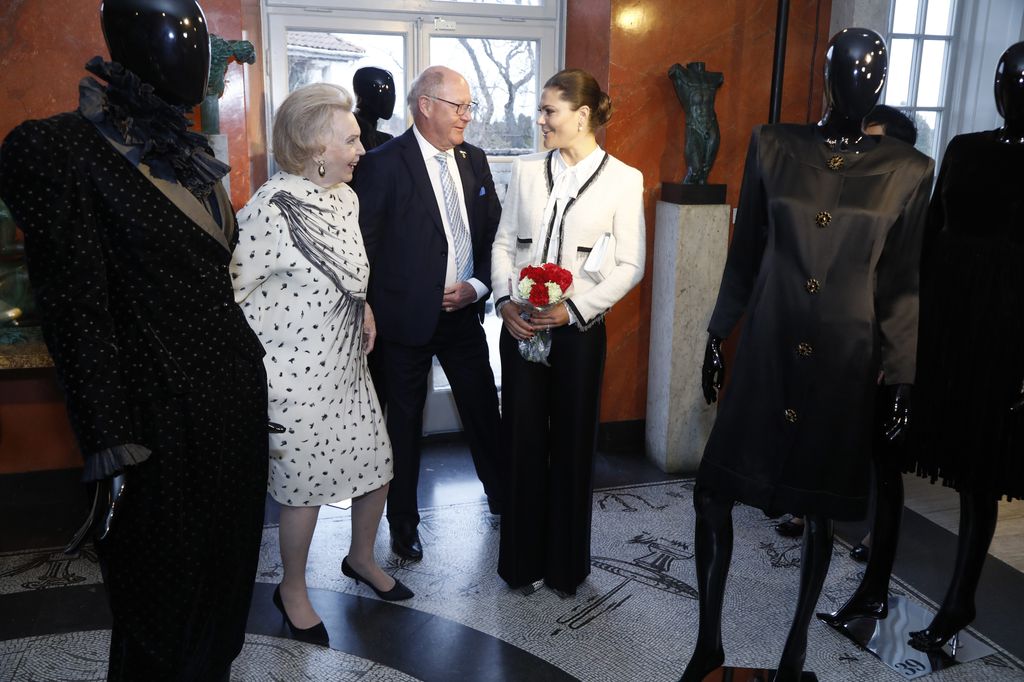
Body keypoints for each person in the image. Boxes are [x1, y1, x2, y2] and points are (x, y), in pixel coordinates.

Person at [0, 1, 269, 678]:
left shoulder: (189, 152)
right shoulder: (62, 150)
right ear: (128, 44)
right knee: (158, 614)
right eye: (176, 36)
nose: (193, 52)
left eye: (198, 38)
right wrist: (110, 441)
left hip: (232, 405)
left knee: (225, 594)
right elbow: (75, 313)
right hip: (156, 422)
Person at [683, 29, 934, 682]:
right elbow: (745, 255)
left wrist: (902, 379)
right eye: (846, 68)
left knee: (821, 510)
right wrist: (717, 335)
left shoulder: (909, 170)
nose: (859, 80)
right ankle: (707, 645)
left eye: (871, 71)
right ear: (827, 74)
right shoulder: (774, 144)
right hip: (768, 347)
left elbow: (903, 283)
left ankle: (793, 655)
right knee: (713, 492)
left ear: (881, 83)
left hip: (843, 363)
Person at [828, 41, 1024, 654]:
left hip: (1005, 335)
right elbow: (930, 235)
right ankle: (876, 580)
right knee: (891, 445)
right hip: (941, 316)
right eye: (1003, 78)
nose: (1008, 90)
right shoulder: (965, 150)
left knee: (977, 474)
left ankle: (960, 600)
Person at [232, 83, 413, 645]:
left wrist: (366, 308)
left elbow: (349, 270)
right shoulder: (269, 209)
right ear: (315, 147)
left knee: (377, 465)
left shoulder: (345, 197)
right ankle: (292, 589)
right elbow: (230, 292)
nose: (362, 148)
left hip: (347, 363)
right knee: (303, 489)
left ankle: (360, 558)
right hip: (293, 376)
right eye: (351, 139)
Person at [491, 68, 645, 595]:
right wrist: (503, 299)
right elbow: (504, 243)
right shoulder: (527, 169)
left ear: (582, 116)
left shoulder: (625, 179)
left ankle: (565, 569)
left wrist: (575, 309)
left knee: (574, 448)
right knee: (522, 444)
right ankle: (520, 564)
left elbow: (629, 264)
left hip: (579, 335)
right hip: (521, 327)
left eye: (549, 111)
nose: (539, 121)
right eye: (539, 110)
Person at [352, 66, 504, 562]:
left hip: (463, 315)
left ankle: (503, 499)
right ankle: (403, 523)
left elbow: (491, 237)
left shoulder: (475, 160)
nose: (467, 116)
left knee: (483, 409)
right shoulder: (382, 164)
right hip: (404, 322)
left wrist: (478, 286)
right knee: (405, 424)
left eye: (469, 107)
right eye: (458, 106)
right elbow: (365, 248)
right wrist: (372, 311)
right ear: (426, 106)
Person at [780, 104, 921, 561]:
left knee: (883, 455)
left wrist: (893, 358)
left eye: (874, 142)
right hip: (839, 334)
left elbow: (903, 286)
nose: (864, 150)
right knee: (817, 419)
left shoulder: (910, 193)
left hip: (887, 339)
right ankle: (804, 507)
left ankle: (876, 536)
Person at [353, 66, 397, 152]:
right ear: (363, 95)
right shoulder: (350, 136)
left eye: (391, 93)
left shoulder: (386, 140)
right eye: (382, 92)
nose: (389, 99)